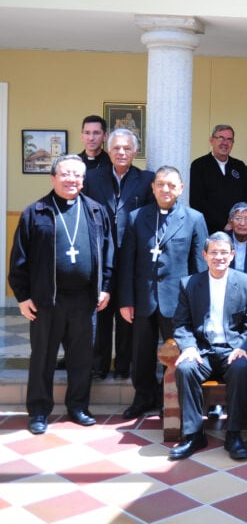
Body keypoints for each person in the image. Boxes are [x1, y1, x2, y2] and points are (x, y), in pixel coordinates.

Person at [8, 154, 113, 435]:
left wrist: (105, 287)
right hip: (47, 300)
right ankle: (39, 411)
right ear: (53, 178)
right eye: (65, 174)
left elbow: (108, 252)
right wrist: (22, 296)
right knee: (43, 356)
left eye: (77, 175)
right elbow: (19, 258)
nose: (71, 180)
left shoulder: (95, 211)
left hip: (85, 299)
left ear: (83, 180)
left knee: (82, 357)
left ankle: (78, 407)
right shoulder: (36, 212)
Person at [119, 166, 208, 419]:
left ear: (181, 189)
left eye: (171, 185)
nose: (165, 189)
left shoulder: (194, 218)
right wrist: (126, 300)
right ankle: (143, 397)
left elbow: (199, 267)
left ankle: (170, 397)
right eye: (160, 184)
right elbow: (127, 262)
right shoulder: (136, 217)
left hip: (178, 302)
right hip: (143, 298)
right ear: (153, 188)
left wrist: (197, 304)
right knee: (141, 353)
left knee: (177, 353)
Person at [169, 232, 247, 461]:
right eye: (214, 252)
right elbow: (181, 322)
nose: (219, 257)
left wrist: (242, 347)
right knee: (185, 369)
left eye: (224, 253)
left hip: (233, 349)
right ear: (205, 255)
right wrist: (188, 347)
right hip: (202, 351)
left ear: (232, 255)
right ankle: (193, 435)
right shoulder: (189, 284)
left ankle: (234, 434)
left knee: (241, 368)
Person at [82, 128, 154, 380]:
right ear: (108, 150)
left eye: (127, 148)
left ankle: (123, 366)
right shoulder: (92, 178)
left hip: (131, 259)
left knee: (127, 313)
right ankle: (98, 366)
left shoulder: (146, 180)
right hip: (100, 257)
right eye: (116, 148)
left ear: (135, 151)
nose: (121, 152)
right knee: (100, 311)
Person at [189, 125, 247, 234]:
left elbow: (246, 196)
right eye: (221, 138)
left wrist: (239, 221)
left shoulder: (239, 166)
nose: (225, 143)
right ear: (211, 140)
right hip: (209, 230)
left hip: (237, 229)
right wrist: (224, 223)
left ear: (233, 143)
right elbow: (197, 201)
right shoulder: (199, 165)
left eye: (229, 139)